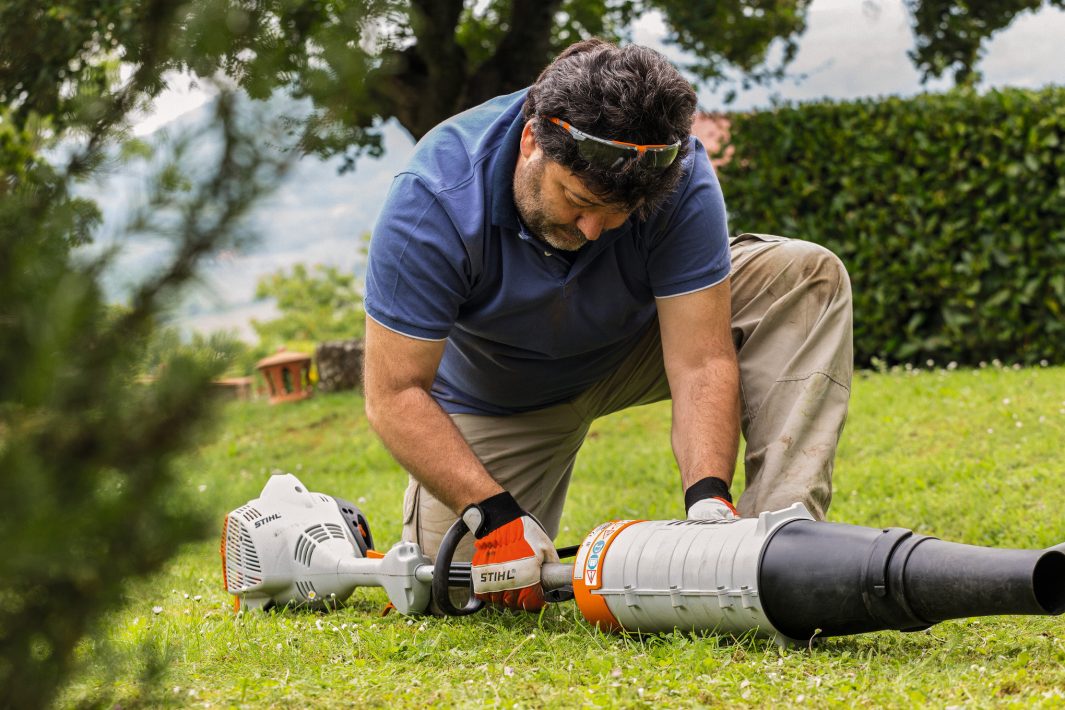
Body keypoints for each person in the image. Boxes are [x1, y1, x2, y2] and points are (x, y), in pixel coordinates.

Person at [363, 39, 853, 612]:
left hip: (633, 346)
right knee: (463, 592)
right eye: (578, 200)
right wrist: (492, 516)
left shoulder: (676, 173)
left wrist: (708, 502)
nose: (594, 230)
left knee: (803, 275)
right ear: (531, 144)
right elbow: (394, 393)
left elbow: (701, 360)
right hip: (503, 395)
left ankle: (777, 549)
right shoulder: (434, 197)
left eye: (619, 216)